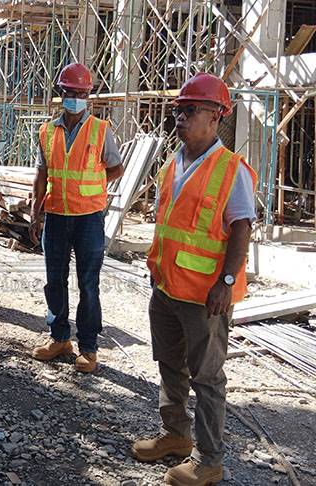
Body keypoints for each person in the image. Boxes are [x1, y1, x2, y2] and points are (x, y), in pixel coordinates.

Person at [132, 73, 256, 486]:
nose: (180, 119)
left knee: (207, 377)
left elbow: (241, 226)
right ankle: (175, 436)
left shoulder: (230, 169)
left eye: (190, 111)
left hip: (205, 295)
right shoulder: (175, 162)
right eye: (179, 111)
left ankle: (209, 460)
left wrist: (226, 279)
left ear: (216, 117)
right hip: (167, 286)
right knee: (169, 364)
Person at [29, 63, 124, 373]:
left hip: (89, 218)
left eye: (82, 93)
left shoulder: (100, 129)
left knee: (88, 285)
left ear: (89, 95)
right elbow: (41, 174)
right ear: (61, 93)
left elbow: (116, 167)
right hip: (55, 214)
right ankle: (59, 338)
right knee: (54, 281)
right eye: (71, 93)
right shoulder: (46, 131)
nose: (76, 98)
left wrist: (92, 187)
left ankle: (89, 347)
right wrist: (35, 213)